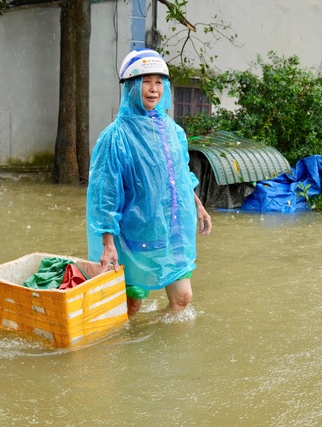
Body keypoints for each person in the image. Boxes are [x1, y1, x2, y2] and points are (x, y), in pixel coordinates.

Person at [86, 48, 212, 317]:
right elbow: (105, 194)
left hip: (173, 228)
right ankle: (129, 353)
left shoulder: (173, 130)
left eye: (158, 81)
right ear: (131, 86)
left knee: (183, 298)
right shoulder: (115, 136)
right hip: (134, 234)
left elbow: (180, 175)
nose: (153, 89)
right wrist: (108, 243)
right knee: (131, 305)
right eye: (146, 81)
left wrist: (199, 206)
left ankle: (166, 354)